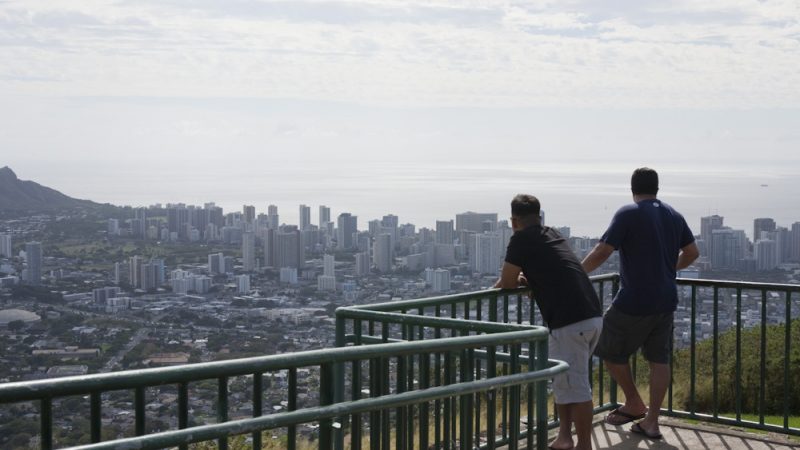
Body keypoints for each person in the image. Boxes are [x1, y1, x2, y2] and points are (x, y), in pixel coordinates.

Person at [582, 167, 699, 440]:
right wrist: (669, 269)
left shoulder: (628, 213)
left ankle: (634, 401)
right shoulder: (673, 214)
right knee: (660, 359)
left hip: (635, 299)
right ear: (657, 188)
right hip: (666, 299)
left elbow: (602, 251)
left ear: (632, 188)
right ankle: (652, 422)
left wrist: (577, 273)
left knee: (607, 349)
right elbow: (692, 252)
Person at [495, 194, 603, 450]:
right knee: (564, 381)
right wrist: (531, 279)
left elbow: (506, 283)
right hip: (591, 315)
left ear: (514, 221)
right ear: (539, 216)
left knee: (577, 387)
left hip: (570, 322)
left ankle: (584, 445)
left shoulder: (520, 239)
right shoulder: (551, 233)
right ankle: (564, 436)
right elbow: (555, 269)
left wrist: (521, 279)